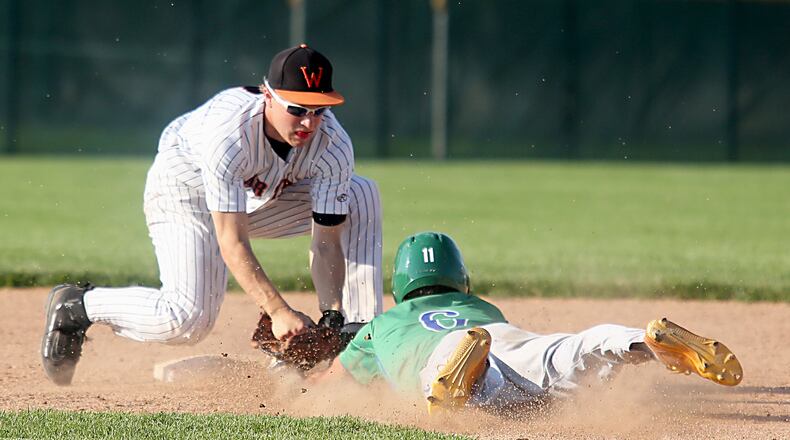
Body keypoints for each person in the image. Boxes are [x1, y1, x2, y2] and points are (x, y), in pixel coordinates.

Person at [41, 44, 383, 386]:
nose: (310, 121)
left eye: (319, 109)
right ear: (267, 94)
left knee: (360, 193)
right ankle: (79, 306)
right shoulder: (231, 135)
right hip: (185, 193)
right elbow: (232, 241)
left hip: (254, 197)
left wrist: (333, 316)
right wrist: (278, 311)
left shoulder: (333, 145)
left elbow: (326, 244)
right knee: (186, 320)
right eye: (297, 108)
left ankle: (359, 344)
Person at [317, 232, 742, 414]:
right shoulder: (481, 305)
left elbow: (327, 392)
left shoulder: (381, 325)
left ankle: (462, 370)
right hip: (506, 339)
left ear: (402, 286)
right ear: (460, 279)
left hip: (458, 349)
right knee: (575, 349)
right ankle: (641, 341)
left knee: (458, 382)